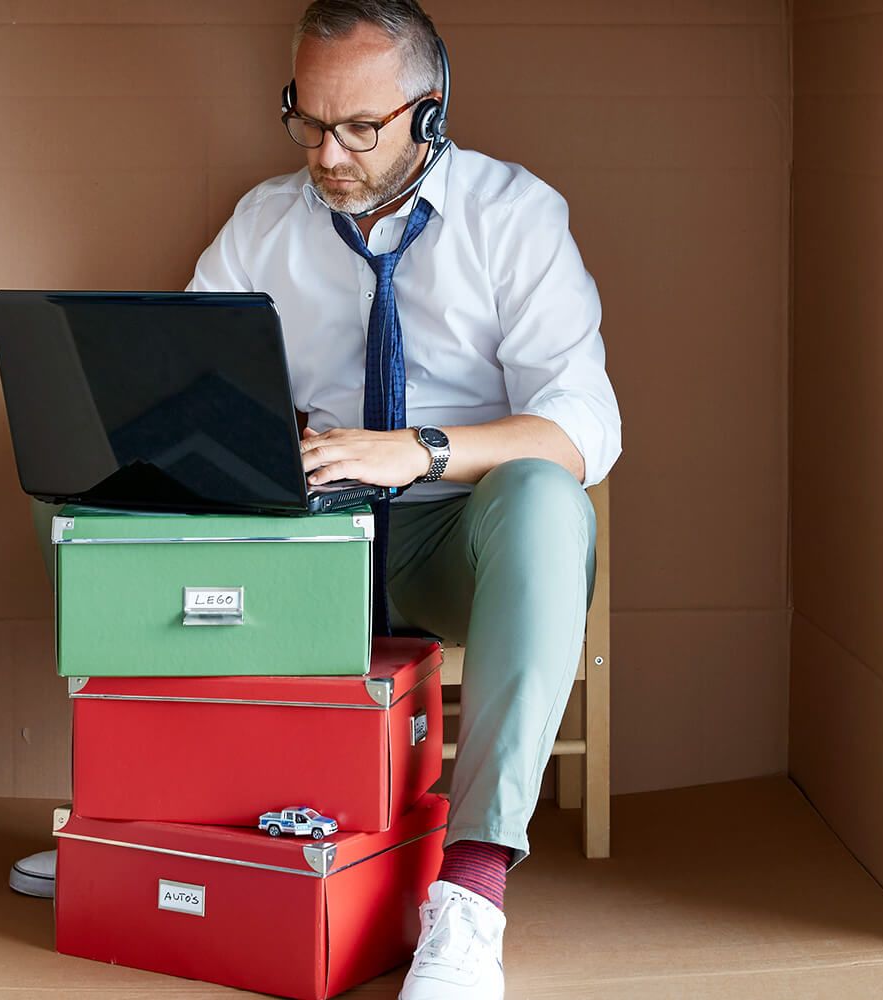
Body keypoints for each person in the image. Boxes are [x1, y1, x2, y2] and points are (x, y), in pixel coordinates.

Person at [186, 2, 620, 996]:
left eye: (357, 128)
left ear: (430, 113)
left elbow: (583, 426)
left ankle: (468, 900)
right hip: (305, 532)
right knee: (91, 500)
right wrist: (251, 440)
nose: (326, 155)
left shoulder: (516, 218)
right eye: (306, 121)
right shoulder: (263, 224)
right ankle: (145, 825)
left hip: (451, 537)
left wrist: (416, 452)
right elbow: (194, 378)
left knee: (548, 497)